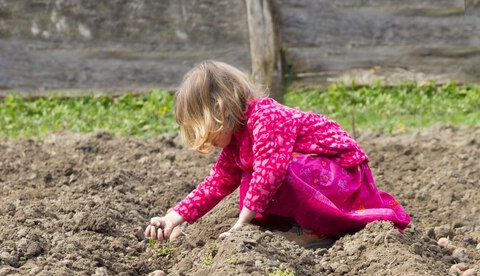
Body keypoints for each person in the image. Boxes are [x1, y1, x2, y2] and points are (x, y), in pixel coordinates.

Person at [144, 60, 410, 248]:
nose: (211, 143)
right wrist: (171, 217)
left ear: (221, 111)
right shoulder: (235, 142)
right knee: (252, 177)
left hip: (343, 175)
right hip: (319, 177)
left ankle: (315, 231)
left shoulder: (266, 116)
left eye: (208, 132)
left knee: (272, 172)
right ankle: (296, 224)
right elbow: (214, 185)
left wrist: (241, 224)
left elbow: (271, 170)